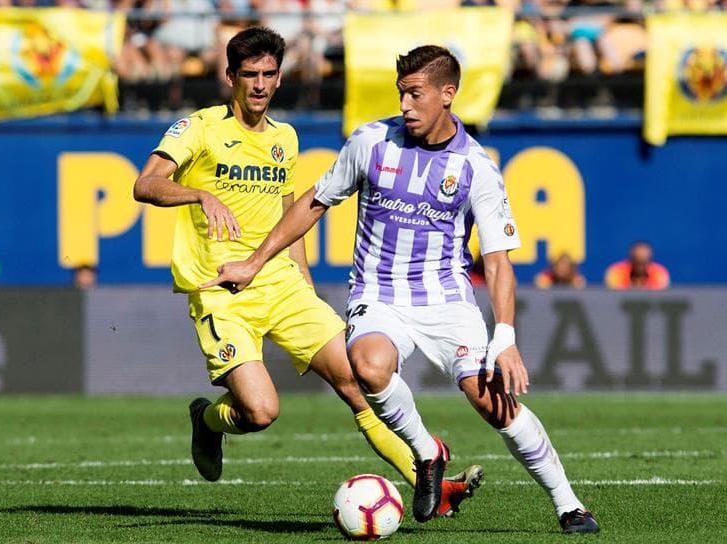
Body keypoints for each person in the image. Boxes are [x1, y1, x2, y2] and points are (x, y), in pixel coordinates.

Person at [202, 45, 600, 533]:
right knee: (368, 366)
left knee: (489, 399)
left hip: (447, 299)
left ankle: (568, 504)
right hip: (378, 294)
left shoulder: (477, 166)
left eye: (415, 94)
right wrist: (255, 261)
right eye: (401, 93)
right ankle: (428, 452)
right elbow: (314, 202)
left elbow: (497, 262)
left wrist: (506, 338)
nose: (406, 105)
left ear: (447, 95)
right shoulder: (371, 142)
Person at [132, 27, 479, 520]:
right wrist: (199, 194)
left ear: (279, 77)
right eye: (248, 75)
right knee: (260, 412)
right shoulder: (199, 129)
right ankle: (207, 419)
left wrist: (307, 288)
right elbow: (145, 185)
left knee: (359, 380)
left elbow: (289, 216)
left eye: (268, 74)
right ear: (229, 76)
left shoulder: (284, 138)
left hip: (282, 285)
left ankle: (433, 485)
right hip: (221, 291)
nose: (259, 85)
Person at [604, 240, 670, 290]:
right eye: (637, 261)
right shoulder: (617, 272)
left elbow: (660, 294)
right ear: (631, 259)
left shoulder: (659, 272)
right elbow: (614, 294)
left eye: (644, 262)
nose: (640, 267)